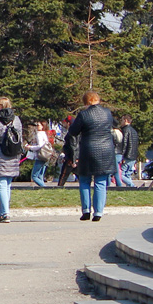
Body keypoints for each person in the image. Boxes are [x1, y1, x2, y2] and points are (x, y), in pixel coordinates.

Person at [63, 90, 117, 222]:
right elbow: (113, 125)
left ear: (86, 102)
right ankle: (98, 212)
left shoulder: (84, 114)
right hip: (106, 149)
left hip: (88, 149)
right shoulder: (107, 113)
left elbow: (73, 131)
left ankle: (86, 211)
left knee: (85, 180)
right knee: (100, 182)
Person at [25, 120, 50, 187]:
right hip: (46, 156)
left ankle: (44, 188)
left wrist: (30, 147)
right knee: (40, 175)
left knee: (34, 176)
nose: (37, 126)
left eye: (38, 125)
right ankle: (43, 189)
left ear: (42, 126)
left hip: (40, 156)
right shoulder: (44, 134)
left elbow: (40, 145)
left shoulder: (39, 134)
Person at [120, 115, 140, 186]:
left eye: (121, 121)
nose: (121, 123)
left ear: (125, 120)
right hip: (133, 155)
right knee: (128, 174)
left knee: (120, 175)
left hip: (127, 155)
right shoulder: (134, 131)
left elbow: (124, 143)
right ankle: (130, 189)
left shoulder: (125, 130)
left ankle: (132, 186)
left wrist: (122, 155)